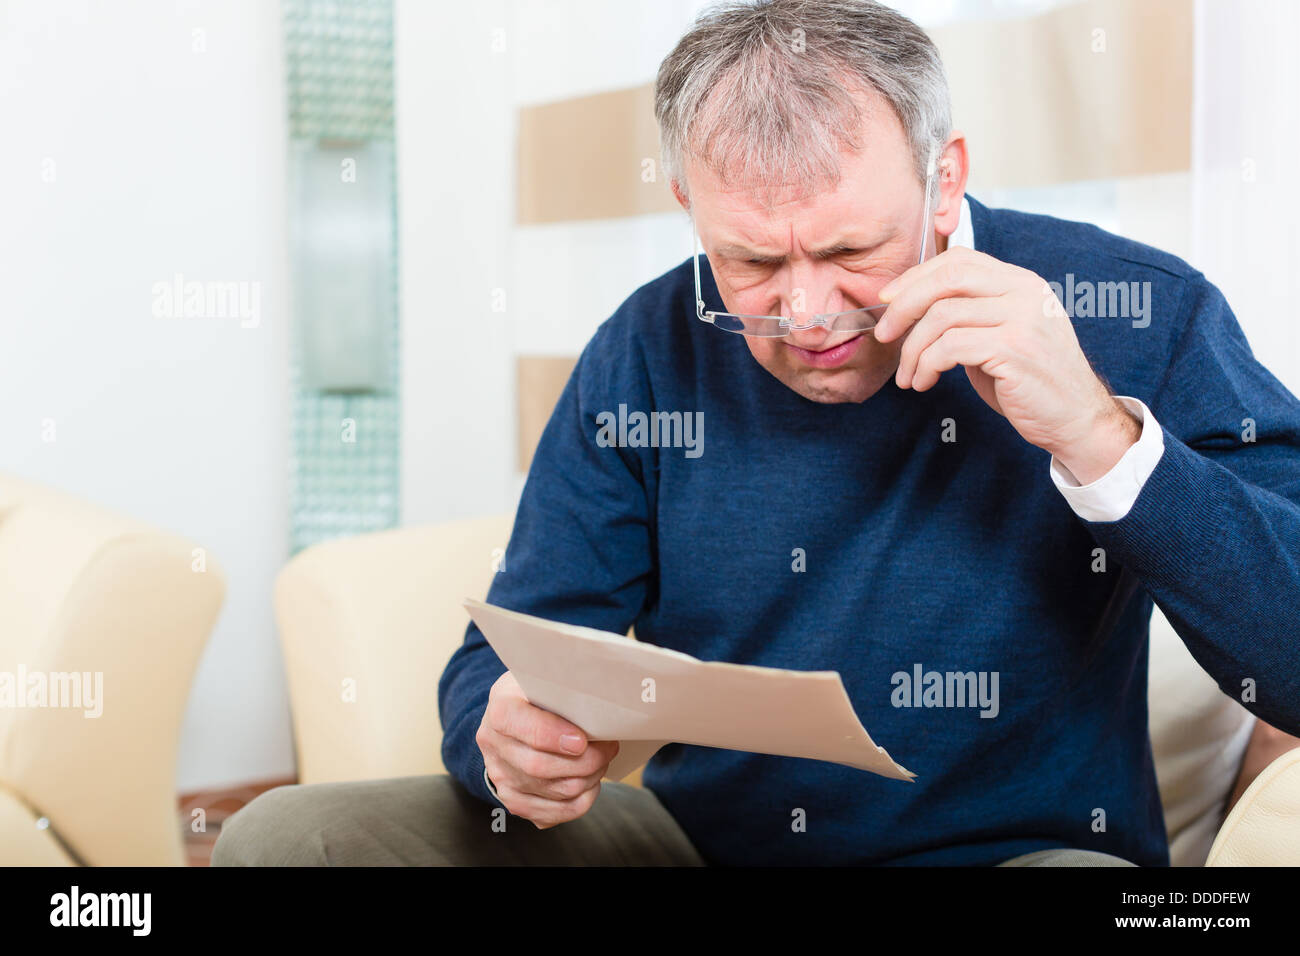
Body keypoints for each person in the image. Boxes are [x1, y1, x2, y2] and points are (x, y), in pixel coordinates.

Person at [214, 0, 1300, 867]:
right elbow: (514, 641)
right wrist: (497, 735)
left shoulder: (1134, 309)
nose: (809, 311)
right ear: (688, 203)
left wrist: (1101, 439)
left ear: (944, 179)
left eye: (851, 250)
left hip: (1018, 849)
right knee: (290, 837)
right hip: (699, 842)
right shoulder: (645, 344)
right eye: (754, 263)